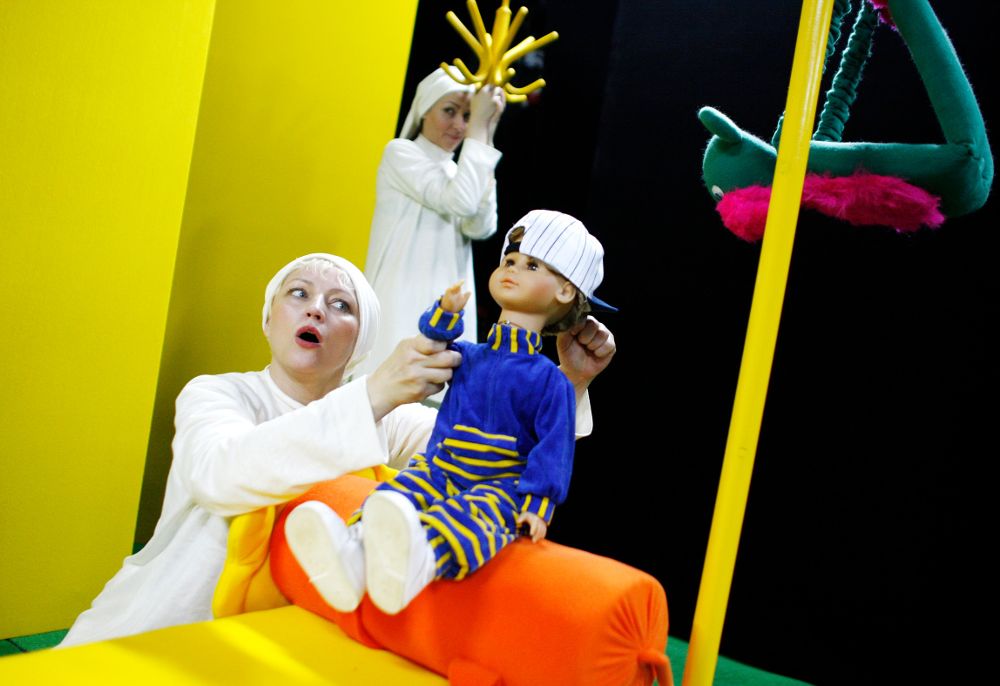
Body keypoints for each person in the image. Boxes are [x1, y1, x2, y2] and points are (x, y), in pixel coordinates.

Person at [59, 251, 614, 646]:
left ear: (359, 342)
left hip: (273, 650)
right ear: (270, 317)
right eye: (298, 294)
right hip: (150, 633)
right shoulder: (218, 394)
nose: (316, 310)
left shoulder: (388, 421)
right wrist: (375, 393)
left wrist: (569, 383)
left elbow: (499, 457)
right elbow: (220, 474)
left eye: (341, 305)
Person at [286, 211, 616, 615]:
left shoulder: (551, 381)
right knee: (398, 494)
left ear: (565, 290)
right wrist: (444, 313)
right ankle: (351, 551)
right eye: (510, 260)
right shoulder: (471, 356)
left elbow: (553, 450)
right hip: (440, 465)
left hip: (498, 484)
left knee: (474, 516)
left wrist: (537, 506)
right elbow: (435, 345)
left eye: (532, 265)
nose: (513, 269)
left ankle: (418, 563)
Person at [362, 68, 506, 379]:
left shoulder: (460, 172)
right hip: (402, 290)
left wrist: (486, 131)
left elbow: (481, 227)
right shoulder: (401, 152)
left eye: (468, 116)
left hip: (447, 295)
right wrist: (477, 135)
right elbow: (461, 202)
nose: (459, 125)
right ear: (425, 108)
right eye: (449, 111)